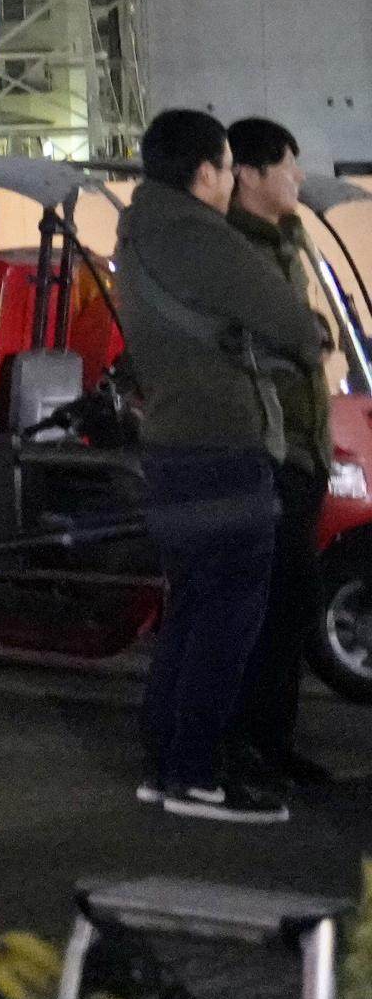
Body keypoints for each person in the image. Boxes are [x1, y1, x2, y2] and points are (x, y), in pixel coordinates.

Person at [115, 106, 323, 825]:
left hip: (173, 448)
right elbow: (294, 323)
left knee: (194, 611)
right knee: (225, 619)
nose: (231, 181)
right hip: (221, 446)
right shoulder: (196, 234)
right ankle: (196, 774)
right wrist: (312, 339)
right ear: (205, 172)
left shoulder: (140, 231)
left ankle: (168, 763)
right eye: (229, 168)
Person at [226, 115, 340, 789]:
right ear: (248, 174)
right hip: (271, 445)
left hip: (304, 444)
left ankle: (273, 743)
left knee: (293, 602)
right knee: (266, 603)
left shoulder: (284, 242)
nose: (298, 177)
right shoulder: (233, 251)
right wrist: (307, 335)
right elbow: (263, 340)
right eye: (288, 167)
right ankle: (246, 747)